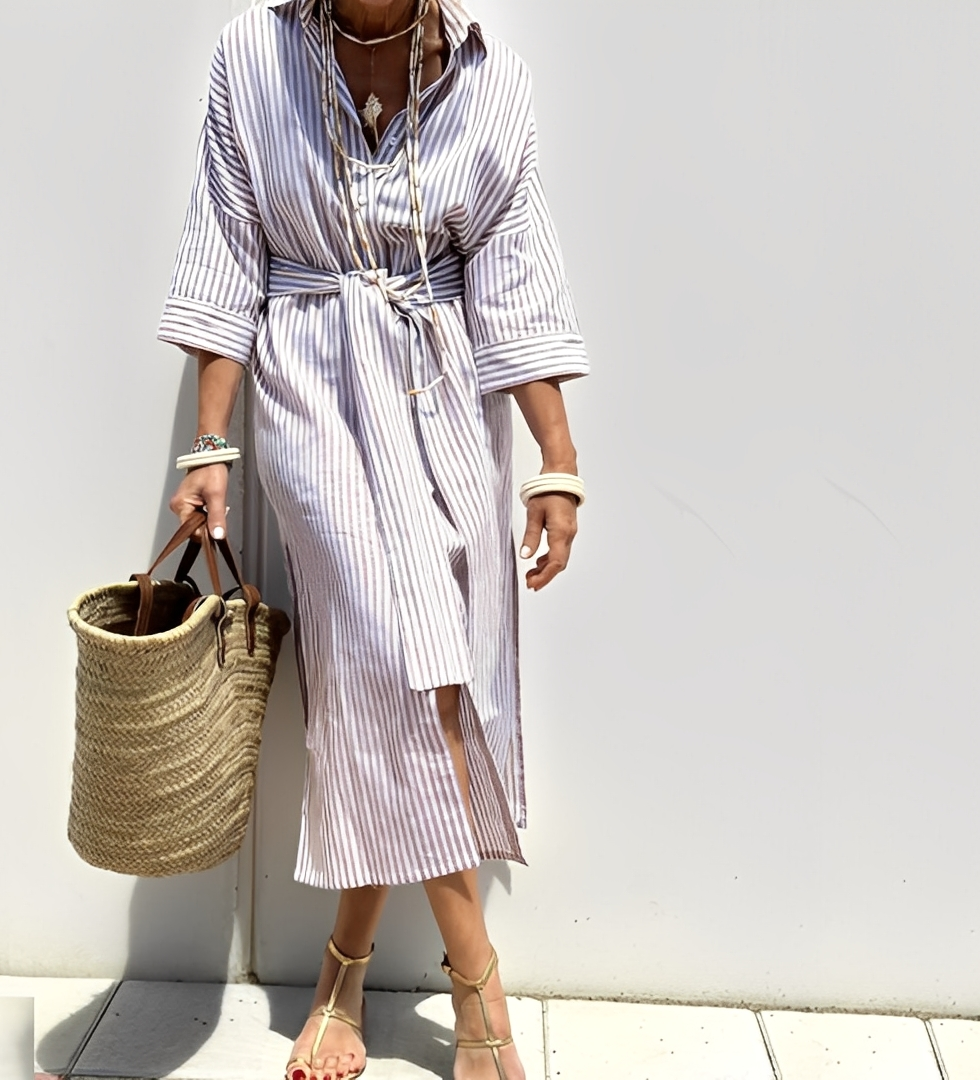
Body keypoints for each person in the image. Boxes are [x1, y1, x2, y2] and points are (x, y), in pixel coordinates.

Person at [160, 0, 587, 1076]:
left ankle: (342, 973)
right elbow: (226, 252)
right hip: (312, 391)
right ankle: (478, 987)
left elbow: (516, 278)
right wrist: (209, 444)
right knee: (392, 653)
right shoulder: (253, 54)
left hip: (446, 401)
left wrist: (556, 457)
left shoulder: (490, 77)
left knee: (415, 675)